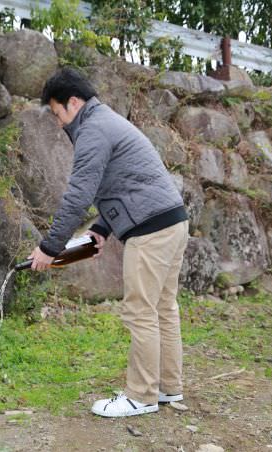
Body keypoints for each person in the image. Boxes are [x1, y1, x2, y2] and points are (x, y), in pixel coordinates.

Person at [26, 67, 189, 418]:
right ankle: (167, 388)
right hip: (172, 222)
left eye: (57, 114)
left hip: (151, 231)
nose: (58, 123)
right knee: (163, 308)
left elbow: (78, 195)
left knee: (141, 311)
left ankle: (141, 396)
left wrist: (49, 247)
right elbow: (128, 181)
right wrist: (102, 228)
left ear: (73, 102)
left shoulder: (94, 130)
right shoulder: (108, 121)